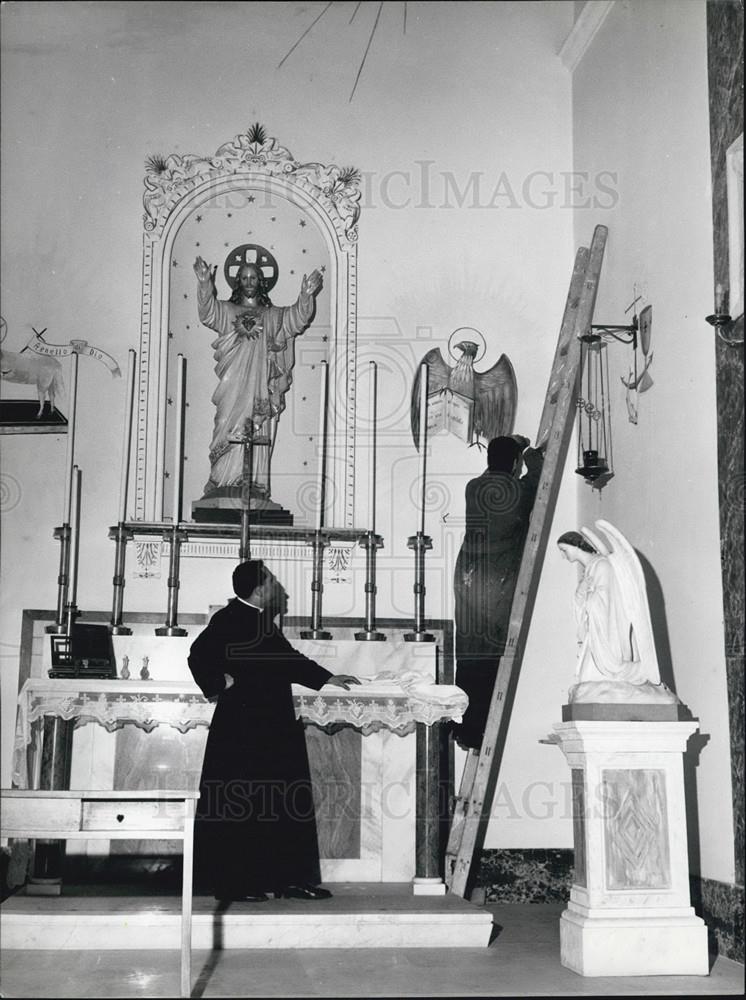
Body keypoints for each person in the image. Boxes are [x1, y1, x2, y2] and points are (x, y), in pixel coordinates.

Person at [188, 559, 359, 902]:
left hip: (273, 724)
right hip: (242, 728)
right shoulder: (229, 617)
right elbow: (197, 655)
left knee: (282, 800)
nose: (278, 588)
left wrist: (326, 678)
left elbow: (288, 660)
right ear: (259, 588)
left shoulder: (261, 620)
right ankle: (235, 883)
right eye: (272, 582)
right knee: (242, 802)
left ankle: (288, 880)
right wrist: (218, 681)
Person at [193, 256, 323, 500]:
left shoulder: (272, 315)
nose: (249, 281)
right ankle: (222, 480)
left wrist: (306, 295)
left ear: (261, 282)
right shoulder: (228, 310)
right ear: (237, 282)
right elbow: (207, 312)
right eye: (244, 277)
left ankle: (251, 481)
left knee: (256, 427)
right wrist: (203, 283)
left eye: (253, 277)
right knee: (225, 423)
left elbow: (296, 319)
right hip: (232, 384)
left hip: (259, 386)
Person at [452, 434, 544, 749]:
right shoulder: (517, 490)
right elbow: (536, 477)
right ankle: (478, 730)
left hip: (467, 577)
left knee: (468, 652)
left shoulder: (473, 487)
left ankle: (464, 728)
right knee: (491, 653)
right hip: (495, 582)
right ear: (514, 463)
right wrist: (531, 453)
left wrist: (512, 450)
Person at [556, 520, 662, 689]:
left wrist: (588, 596)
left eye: (564, 550)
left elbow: (607, 600)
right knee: (586, 677)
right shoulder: (590, 568)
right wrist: (581, 593)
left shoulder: (602, 565)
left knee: (595, 675)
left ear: (575, 546)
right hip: (595, 635)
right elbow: (583, 602)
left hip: (609, 634)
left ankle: (640, 671)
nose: (563, 555)